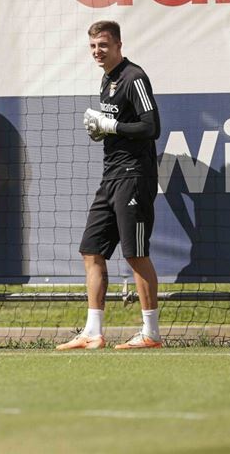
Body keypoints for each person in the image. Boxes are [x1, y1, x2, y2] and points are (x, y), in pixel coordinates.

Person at [57, 21, 162, 350]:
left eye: (103, 45)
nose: (97, 52)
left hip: (134, 176)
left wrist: (112, 125)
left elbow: (152, 126)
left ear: (118, 44)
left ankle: (151, 333)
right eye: (92, 46)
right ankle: (93, 332)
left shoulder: (134, 77)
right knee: (91, 251)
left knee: (135, 254)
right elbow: (121, 127)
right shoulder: (107, 79)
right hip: (111, 176)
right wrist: (103, 130)